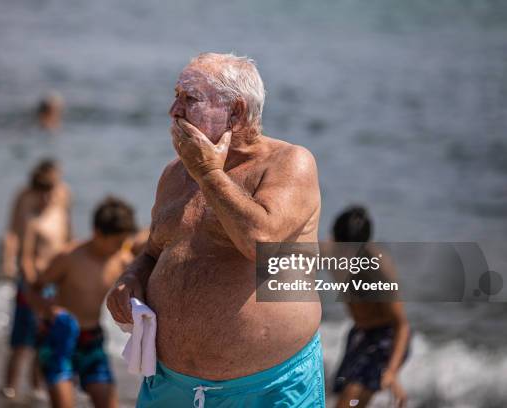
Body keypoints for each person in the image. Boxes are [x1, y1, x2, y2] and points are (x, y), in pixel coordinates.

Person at [107, 53, 324, 407]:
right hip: (168, 384)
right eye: (176, 96)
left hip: (268, 388)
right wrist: (130, 277)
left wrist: (209, 174)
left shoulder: (289, 163)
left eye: (189, 99)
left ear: (236, 112)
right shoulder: (175, 174)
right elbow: (152, 251)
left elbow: (260, 241)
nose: (173, 110)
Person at [28, 196, 138, 408]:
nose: (121, 247)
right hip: (59, 336)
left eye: (124, 241)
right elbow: (33, 290)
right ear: (98, 233)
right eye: (117, 242)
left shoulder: (122, 260)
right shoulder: (69, 257)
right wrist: (48, 309)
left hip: (92, 339)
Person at [1, 159, 72, 399]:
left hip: (54, 285)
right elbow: (24, 254)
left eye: (50, 192)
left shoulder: (61, 207)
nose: (47, 198)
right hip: (33, 285)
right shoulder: (31, 214)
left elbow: (68, 243)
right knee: (22, 341)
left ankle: (37, 387)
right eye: (43, 193)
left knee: (46, 339)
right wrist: (31, 284)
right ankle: (9, 388)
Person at [330, 206, 410, 408]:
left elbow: (401, 325)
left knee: (350, 401)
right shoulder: (332, 253)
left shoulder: (379, 270)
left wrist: (391, 372)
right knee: (342, 397)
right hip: (359, 335)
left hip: (386, 338)